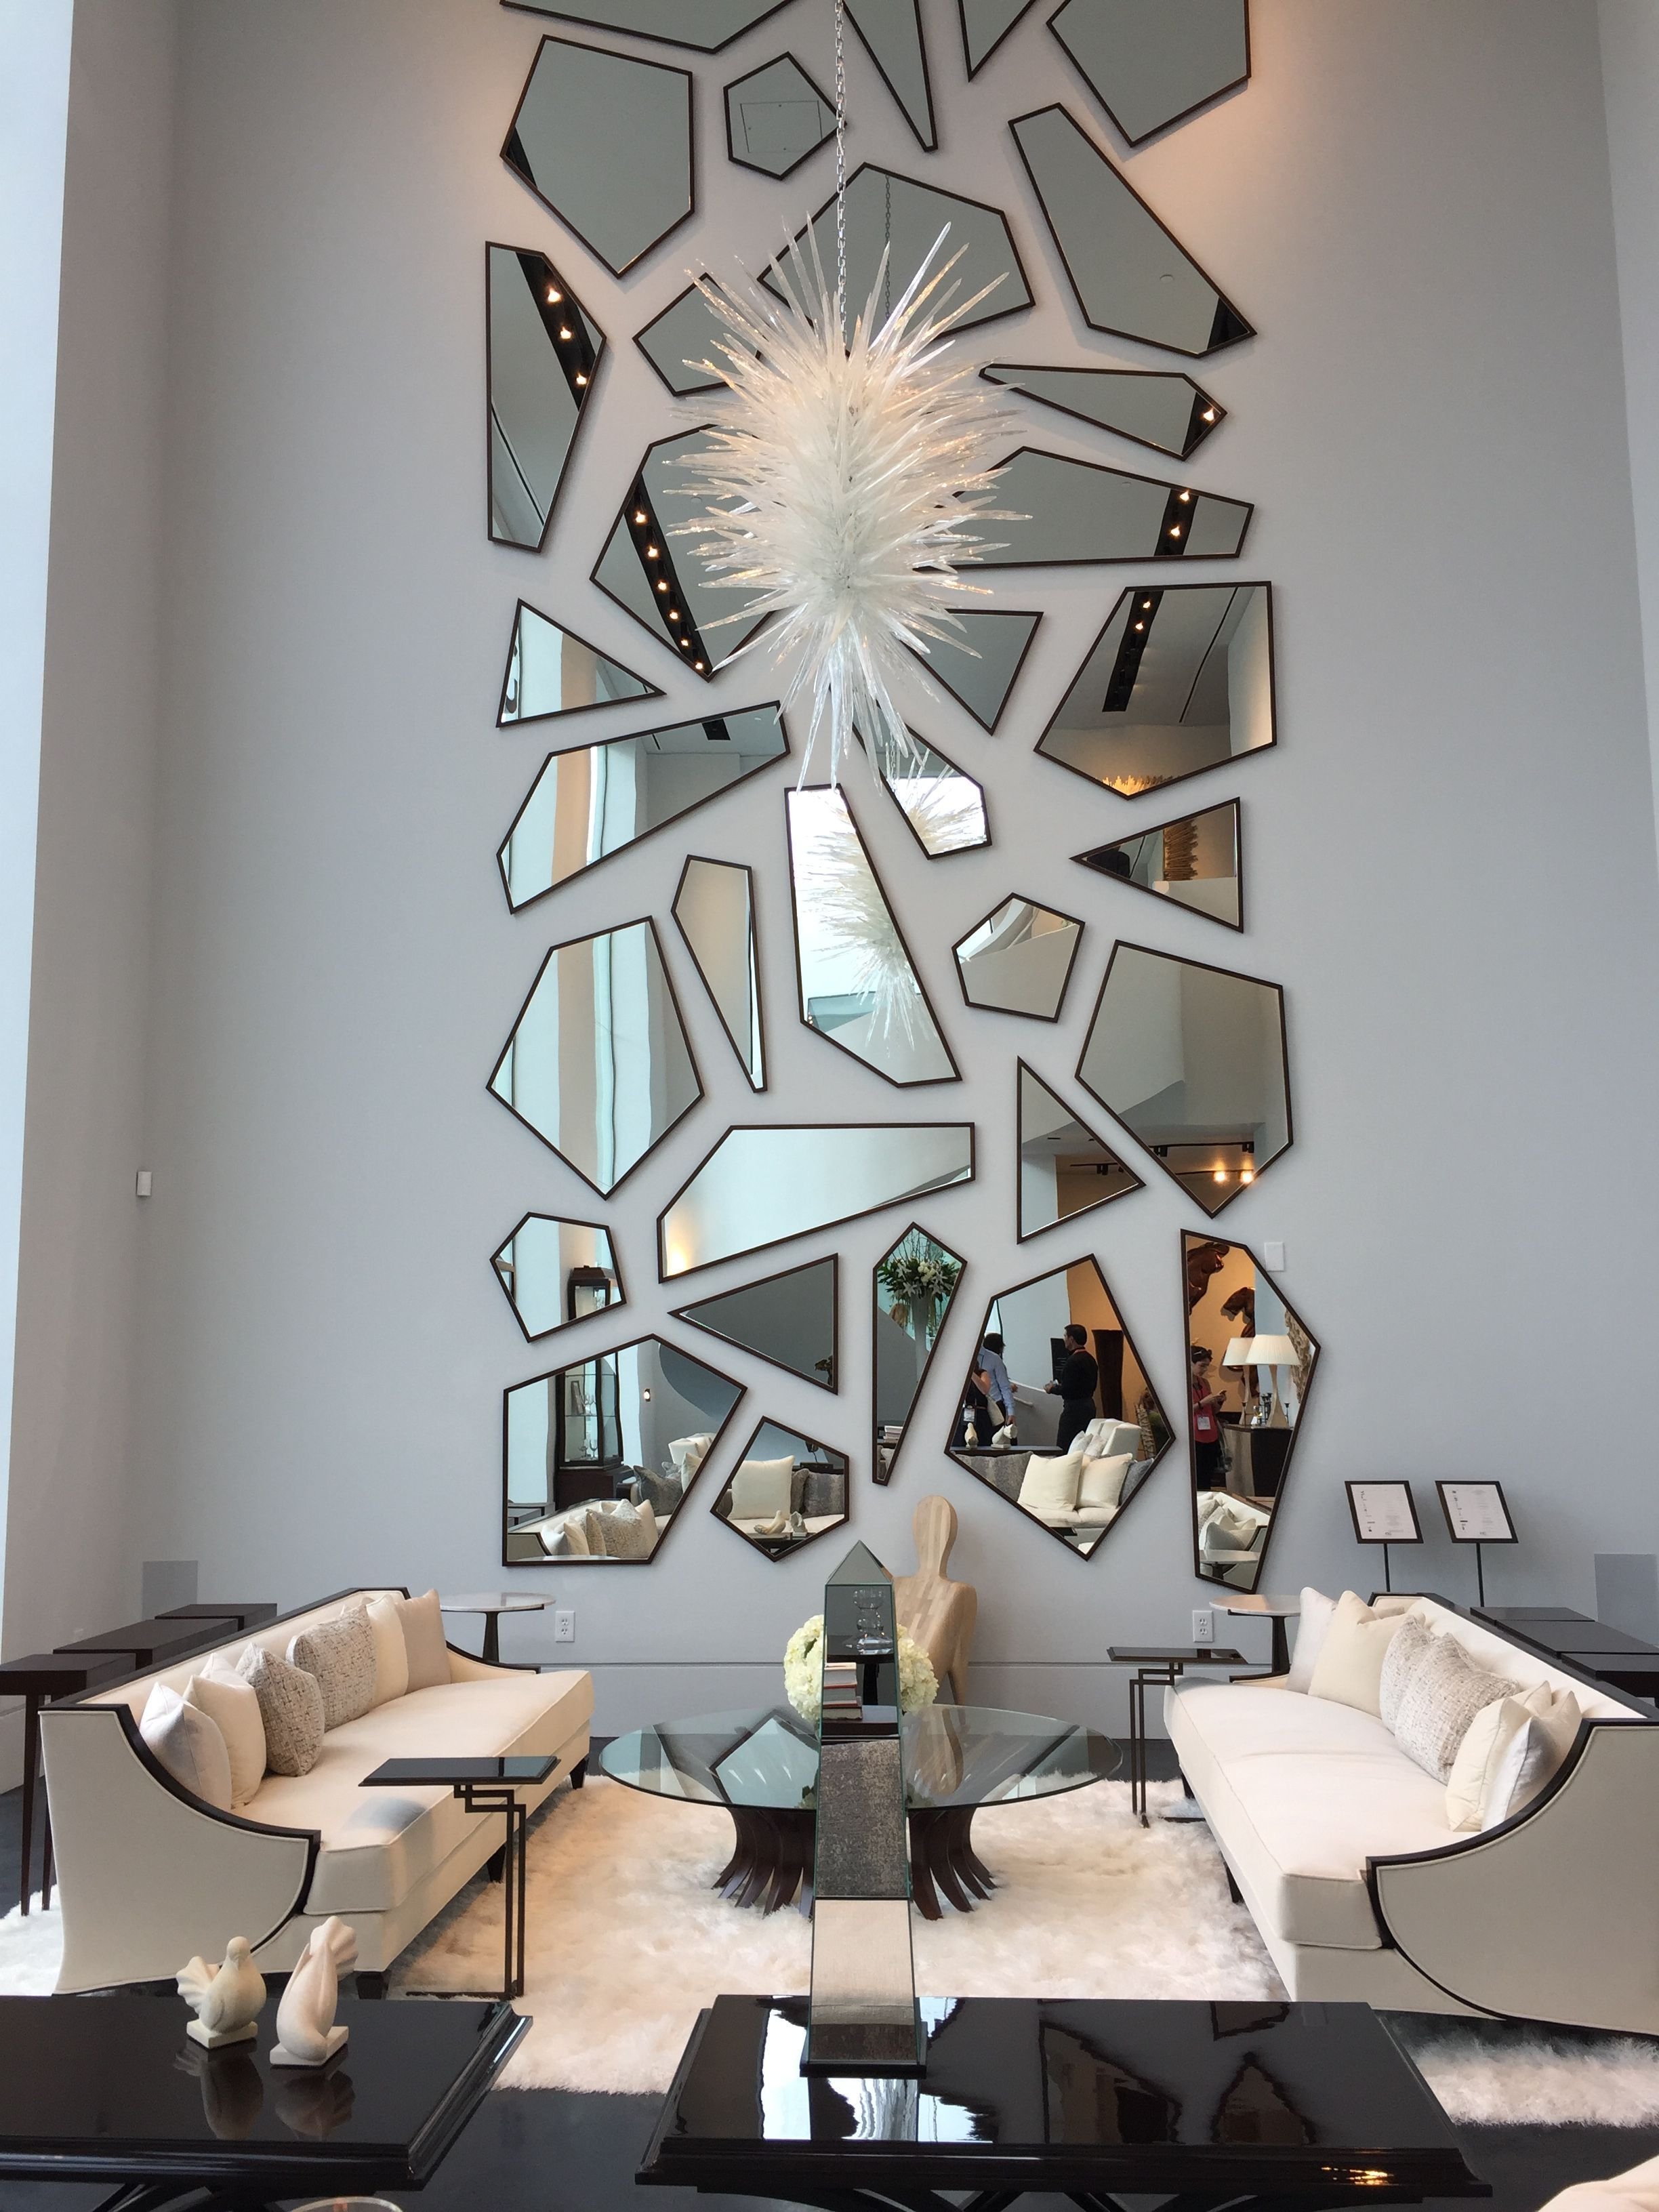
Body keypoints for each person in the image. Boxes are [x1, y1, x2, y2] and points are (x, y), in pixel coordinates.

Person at [954, 1332, 1014, 1449]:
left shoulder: (993, 1359)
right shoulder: (959, 1359)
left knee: (990, 1441)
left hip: (990, 1407)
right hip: (965, 1410)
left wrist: (1011, 1411)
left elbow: (1003, 1386)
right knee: (962, 1442)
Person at [1044, 1323, 1098, 1451]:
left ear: (1071, 1339)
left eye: (1065, 1336)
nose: (1064, 1339)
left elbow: (1068, 1390)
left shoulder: (1073, 1362)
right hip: (1089, 1406)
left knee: (1065, 1446)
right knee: (1082, 1446)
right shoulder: (1091, 1359)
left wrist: (1052, 1389)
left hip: (1074, 1410)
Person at [1190, 1344, 1226, 1488]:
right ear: (1190, 1363)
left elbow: (1214, 1411)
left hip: (1210, 1434)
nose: (1205, 1370)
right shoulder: (1182, 1384)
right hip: (1194, 1435)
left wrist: (1219, 1401)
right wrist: (1202, 1403)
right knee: (1197, 1475)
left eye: (1207, 1366)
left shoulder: (1204, 1383)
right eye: (1202, 1366)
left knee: (1208, 1475)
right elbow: (1183, 1412)